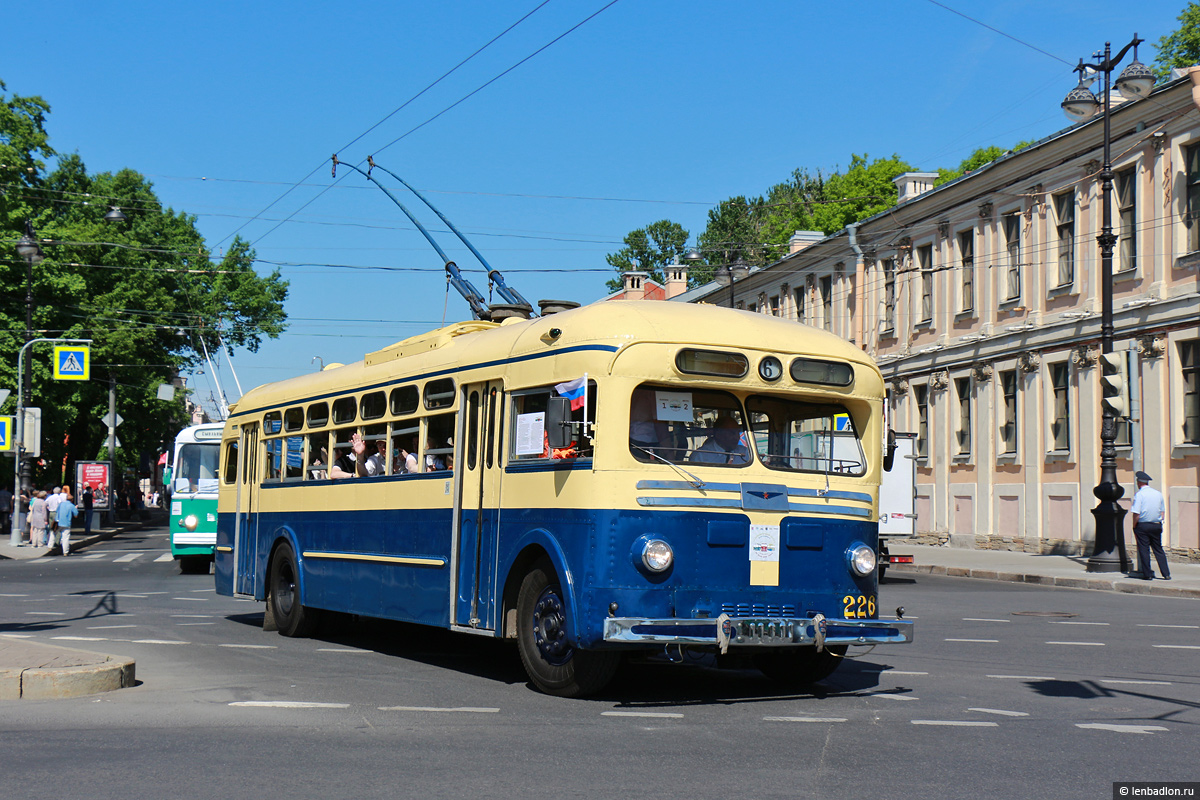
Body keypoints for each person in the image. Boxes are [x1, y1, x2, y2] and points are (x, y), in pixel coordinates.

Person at [1130, 471, 1170, 580]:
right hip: (1156, 525)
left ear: (1138, 482)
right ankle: (1166, 574)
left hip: (1143, 525)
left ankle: (1147, 575)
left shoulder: (1139, 495)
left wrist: (1134, 526)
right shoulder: (1158, 494)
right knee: (1158, 549)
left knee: (1144, 550)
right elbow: (1162, 512)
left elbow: (1136, 513)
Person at [56, 488, 79, 555]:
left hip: (58, 522)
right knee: (65, 537)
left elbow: (57, 511)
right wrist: (76, 508)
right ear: (72, 500)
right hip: (66, 523)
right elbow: (76, 515)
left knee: (55, 534)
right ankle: (65, 551)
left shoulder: (60, 504)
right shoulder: (71, 506)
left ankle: (52, 546)